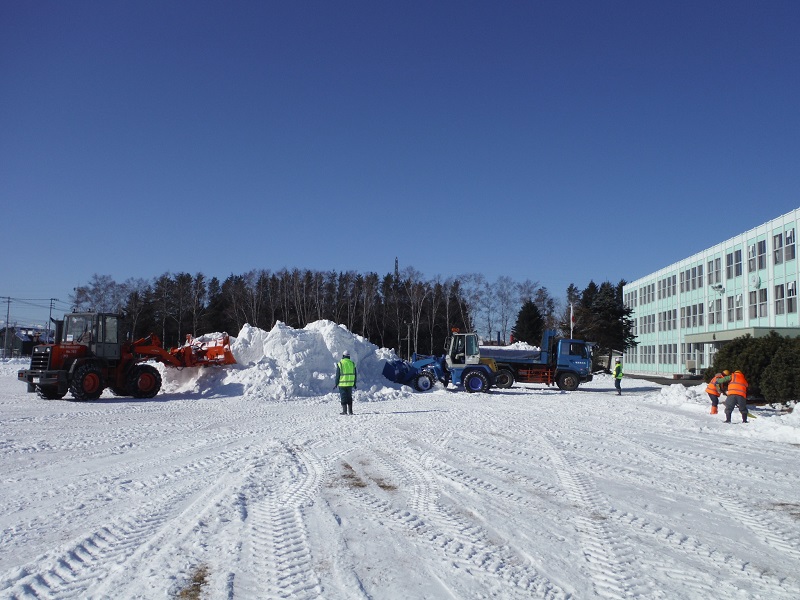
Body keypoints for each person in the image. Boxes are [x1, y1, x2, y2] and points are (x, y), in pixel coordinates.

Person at [334, 350, 357, 415]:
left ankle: (344, 411)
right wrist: (354, 383)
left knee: (343, 397)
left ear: (343, 356)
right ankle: (350, 411)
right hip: (350, 384)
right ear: (349, 357)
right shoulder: (352, 364)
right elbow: (355, 374)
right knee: (349, 397)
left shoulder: (340, 364)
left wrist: (336, 383)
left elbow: (338, 375)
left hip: (342, 384)